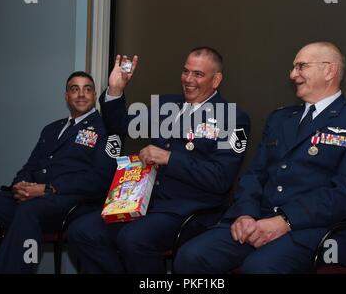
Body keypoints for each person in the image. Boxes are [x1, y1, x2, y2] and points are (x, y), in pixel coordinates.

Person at [174, 41, 346, 273]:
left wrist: (286, 221)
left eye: (301, 66)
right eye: (293, 67)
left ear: (329, 70)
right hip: (260, 219)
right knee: (191, 256)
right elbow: (254, 175)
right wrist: (246, 213)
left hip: (318, 231)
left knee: (260, 268)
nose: (292, 74)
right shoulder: (280, 119)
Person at [67, 46, 251, 273]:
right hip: (144, 202)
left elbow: (220, 178)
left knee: (133, 239)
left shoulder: (231, 117)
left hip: (189, 210)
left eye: (198, 74)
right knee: (82, 230)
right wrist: (115, 90)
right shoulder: (166, 106)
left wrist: (169, 158)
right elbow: (120, 125)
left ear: (216, 80)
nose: (188, 79)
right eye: (186, 72)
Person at [0, 71, 118, 273]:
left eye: (87, 89)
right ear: (66, 96)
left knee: (29, 211)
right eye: (74, 89)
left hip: (68, 202)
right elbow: (30, 166)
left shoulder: (105, 130)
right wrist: (20, 185)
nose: (81, 94)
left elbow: (101, 179)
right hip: (30, 197)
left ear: (94, 96)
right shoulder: (51, 129)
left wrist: (48, 189)